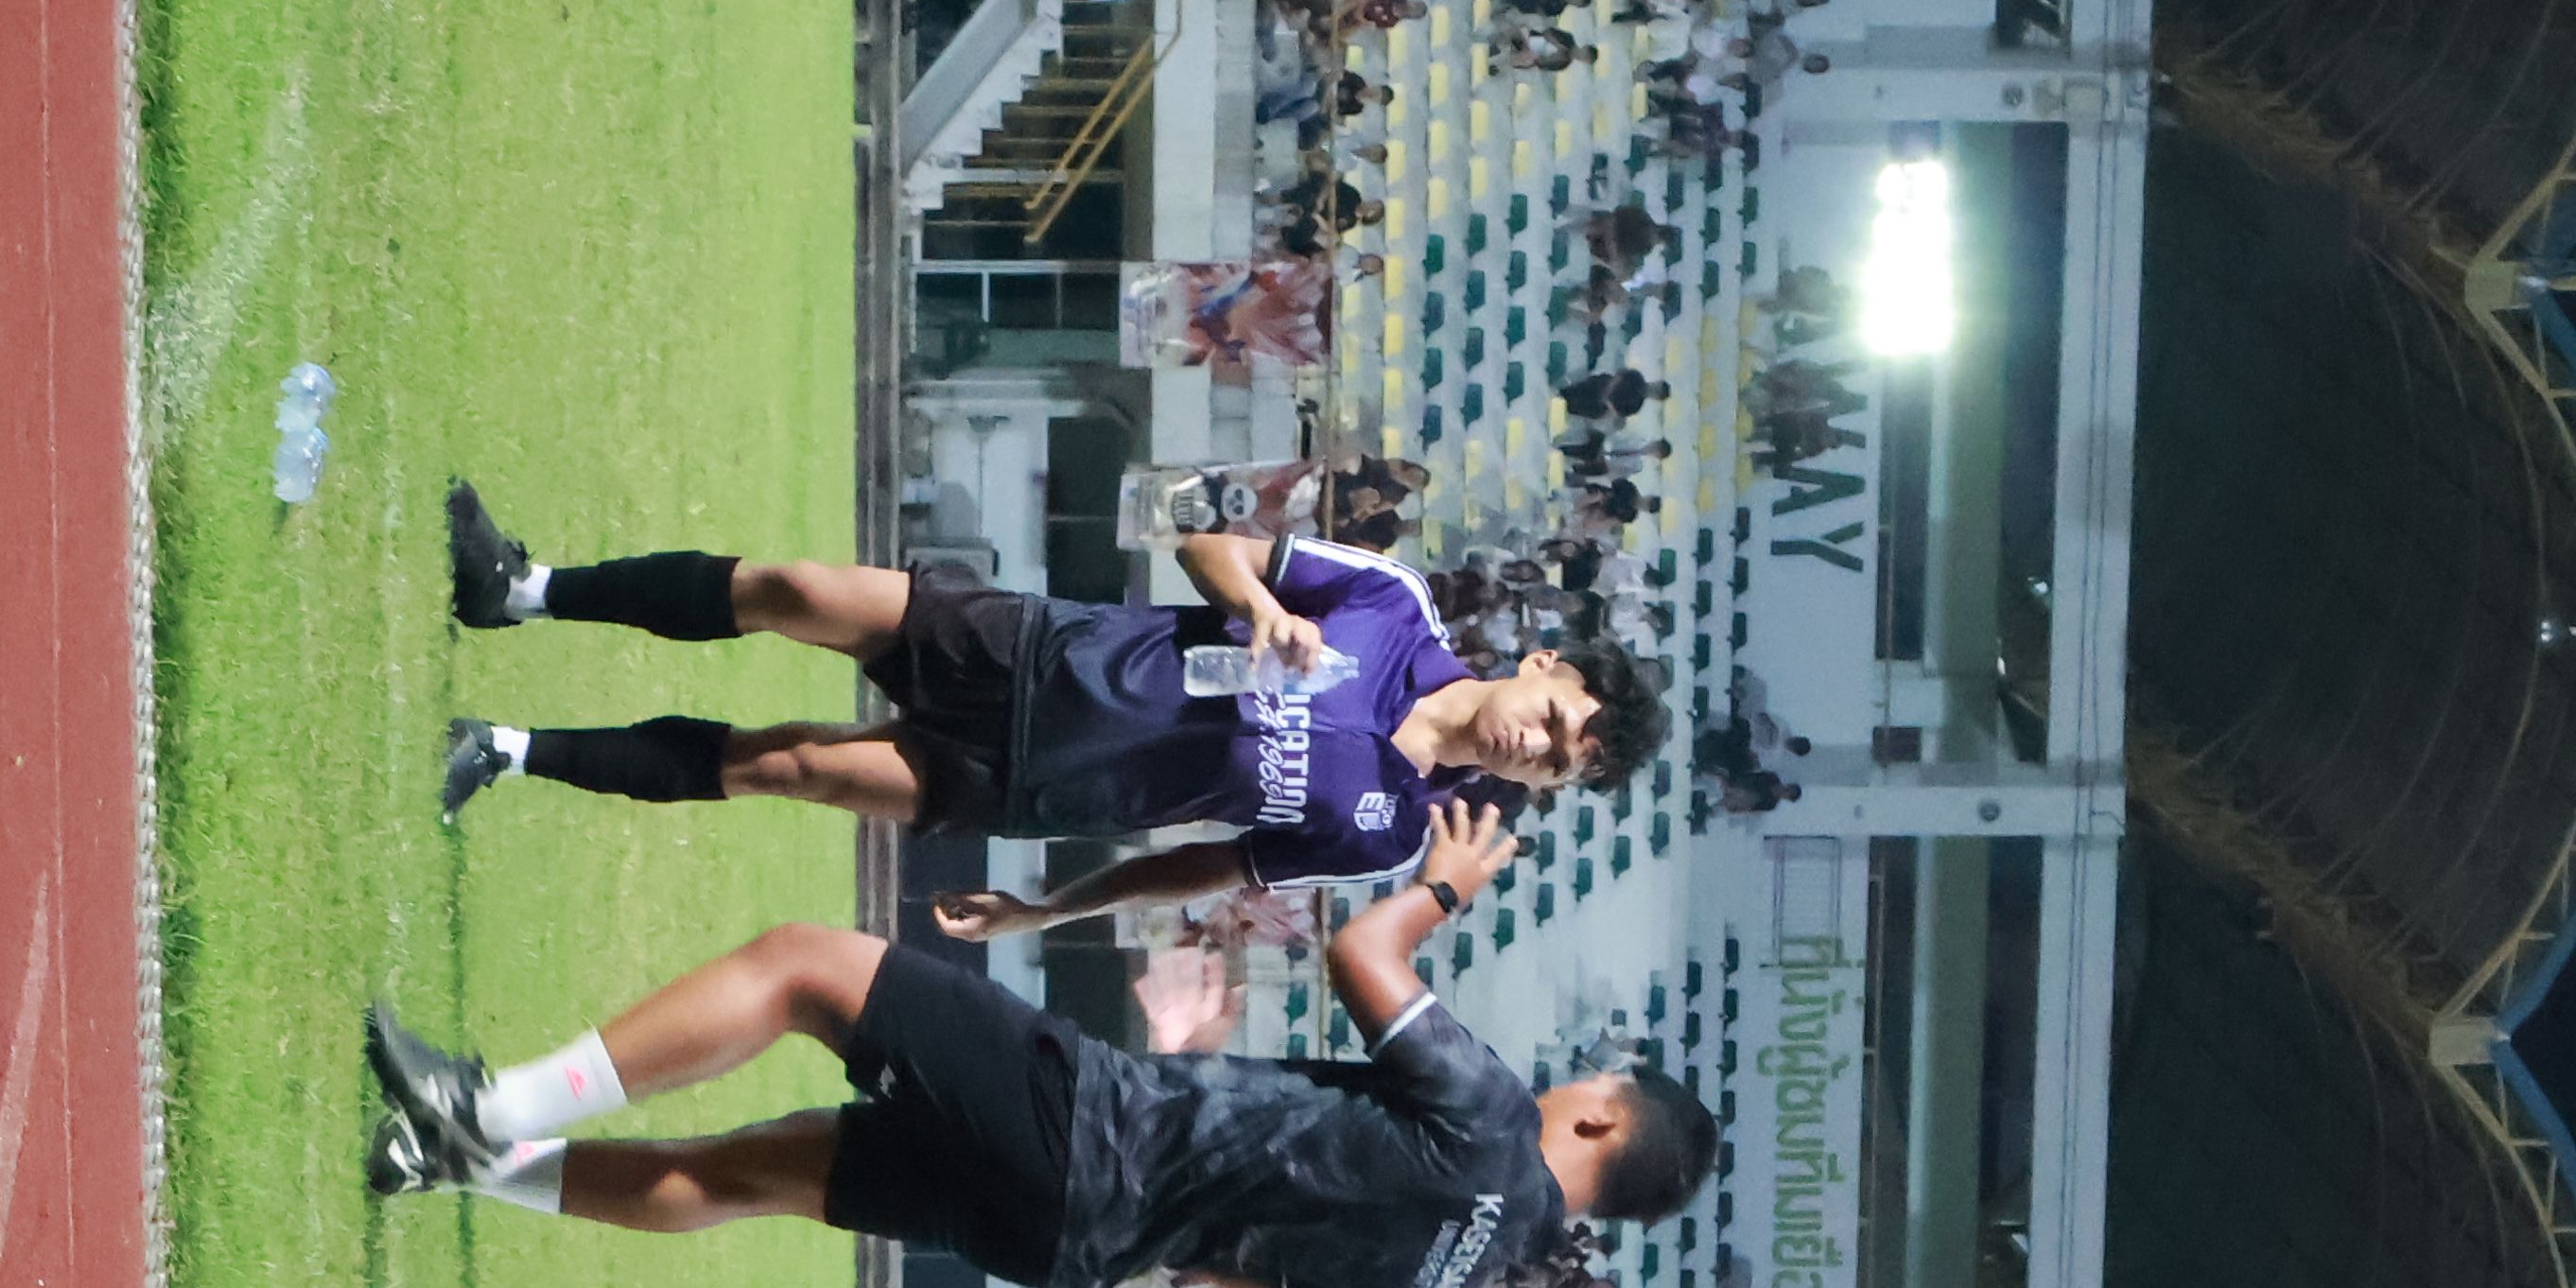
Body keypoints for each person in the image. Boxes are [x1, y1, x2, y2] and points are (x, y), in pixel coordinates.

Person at [362, 801, 1720, 1288]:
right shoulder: (1455, 1280)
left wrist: (1448, 884)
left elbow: (1364, 953)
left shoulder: (1494, 1117)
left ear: (1602, 1124)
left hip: (1095, 1128)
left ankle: (484, 1106)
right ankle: (450, 1167)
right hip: (1077, 1244)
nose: (1571, 1081)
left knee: (805, 965)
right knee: (750, 1174)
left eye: (1592, 1085)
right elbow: (1236, 1269)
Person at [433, 482, 1663, 928]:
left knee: (785, 764)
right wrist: (1263, 607)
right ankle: (523, 590)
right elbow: (1207, 542)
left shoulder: (1389, 832)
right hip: (1037, 652)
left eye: (1554, 766)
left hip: (1037, 785)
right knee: (789, 589)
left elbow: (1205, 868)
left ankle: (504, 750)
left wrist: (1049, 911)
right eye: (1557, 721)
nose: (1536, 745)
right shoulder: (1392, 605)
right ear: (1544, 664)